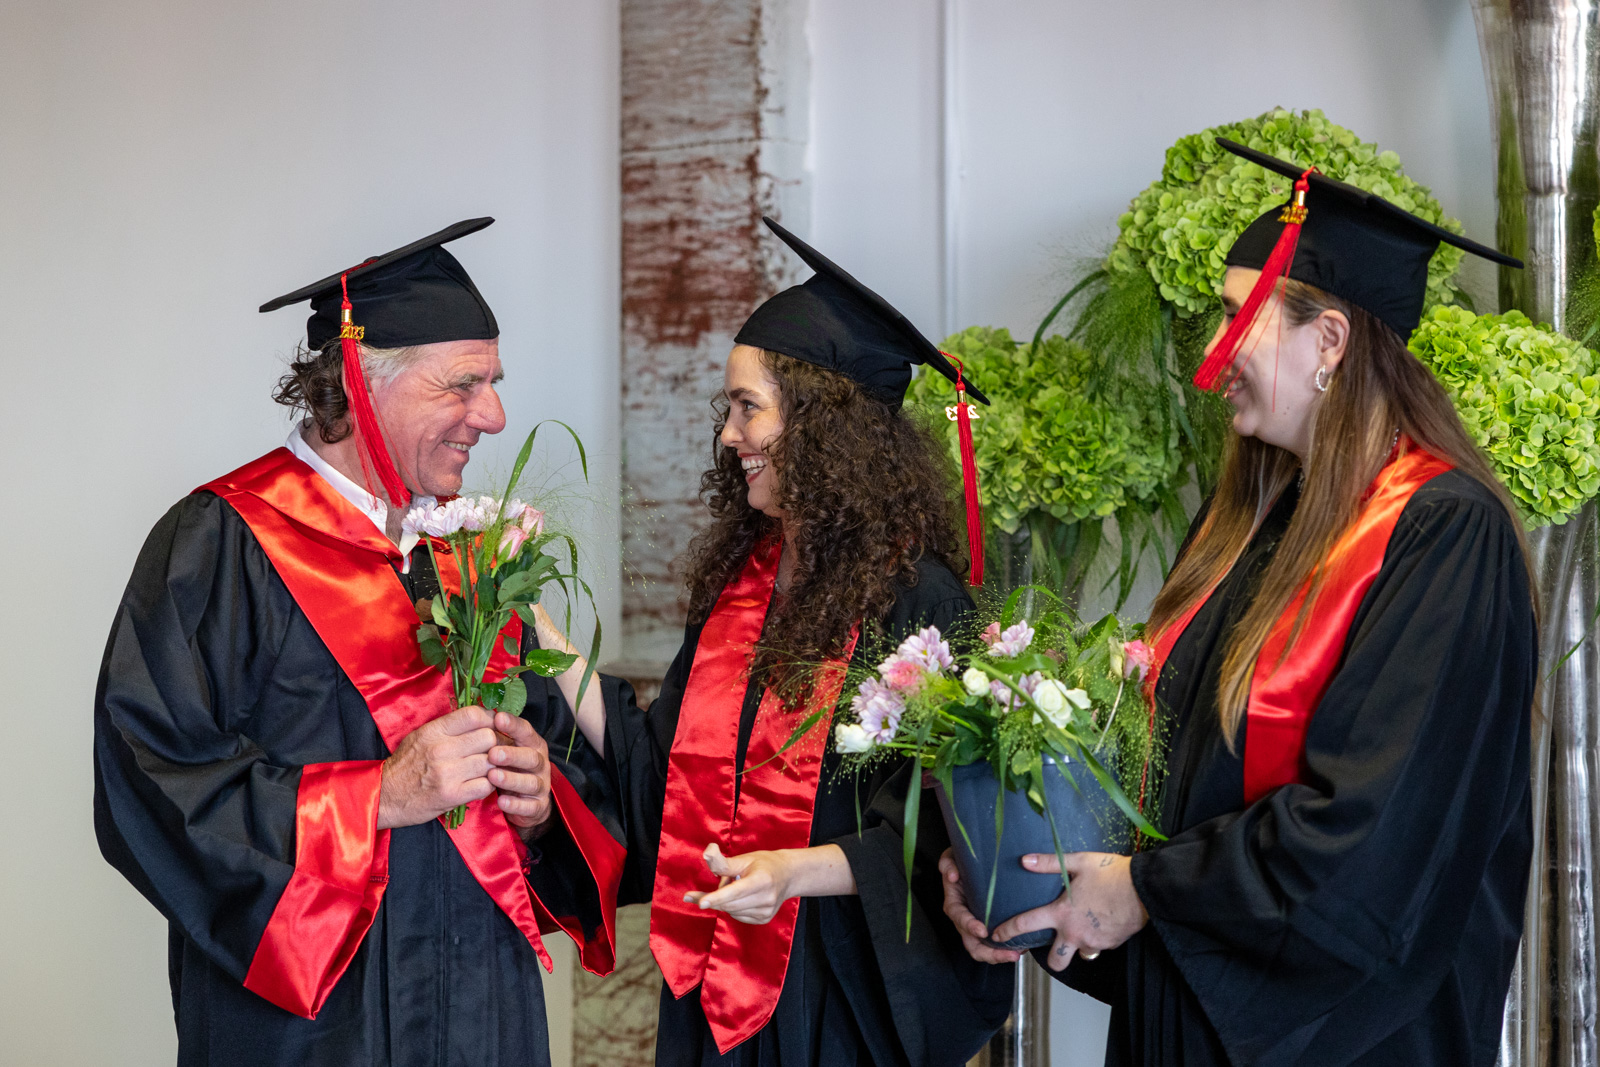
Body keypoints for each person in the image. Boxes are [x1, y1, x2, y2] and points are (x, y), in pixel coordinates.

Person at [942, 139, 1538, 1066]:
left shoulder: (1443, 534)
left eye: (1234, 318)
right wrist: (1031, 877)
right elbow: (1174, 793)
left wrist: (1146, 889)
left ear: (1329, 341)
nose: (1210, 357)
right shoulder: (1250, 524)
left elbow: (1371, 842)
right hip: (1187, 1029)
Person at [94, 218, 624, 1067]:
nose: (493, 416)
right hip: (315, 1029)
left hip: (482, 1015)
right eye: (462, 384)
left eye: (493, 383)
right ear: (360, 382)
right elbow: (149, 783)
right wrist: (377, 795)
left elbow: (573, 775)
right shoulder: (223, 545)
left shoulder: (468, 557)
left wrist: (538, 802)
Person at [537, 217, 1014, 1066]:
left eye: (748, 407)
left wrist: (794, 870)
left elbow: (946, 830)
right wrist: (535, 632)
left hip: (839, 993)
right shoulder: (740, 584)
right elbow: (663, 779)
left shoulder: (919, 599)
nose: (729, 434)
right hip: (708, 989)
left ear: (826, 429)